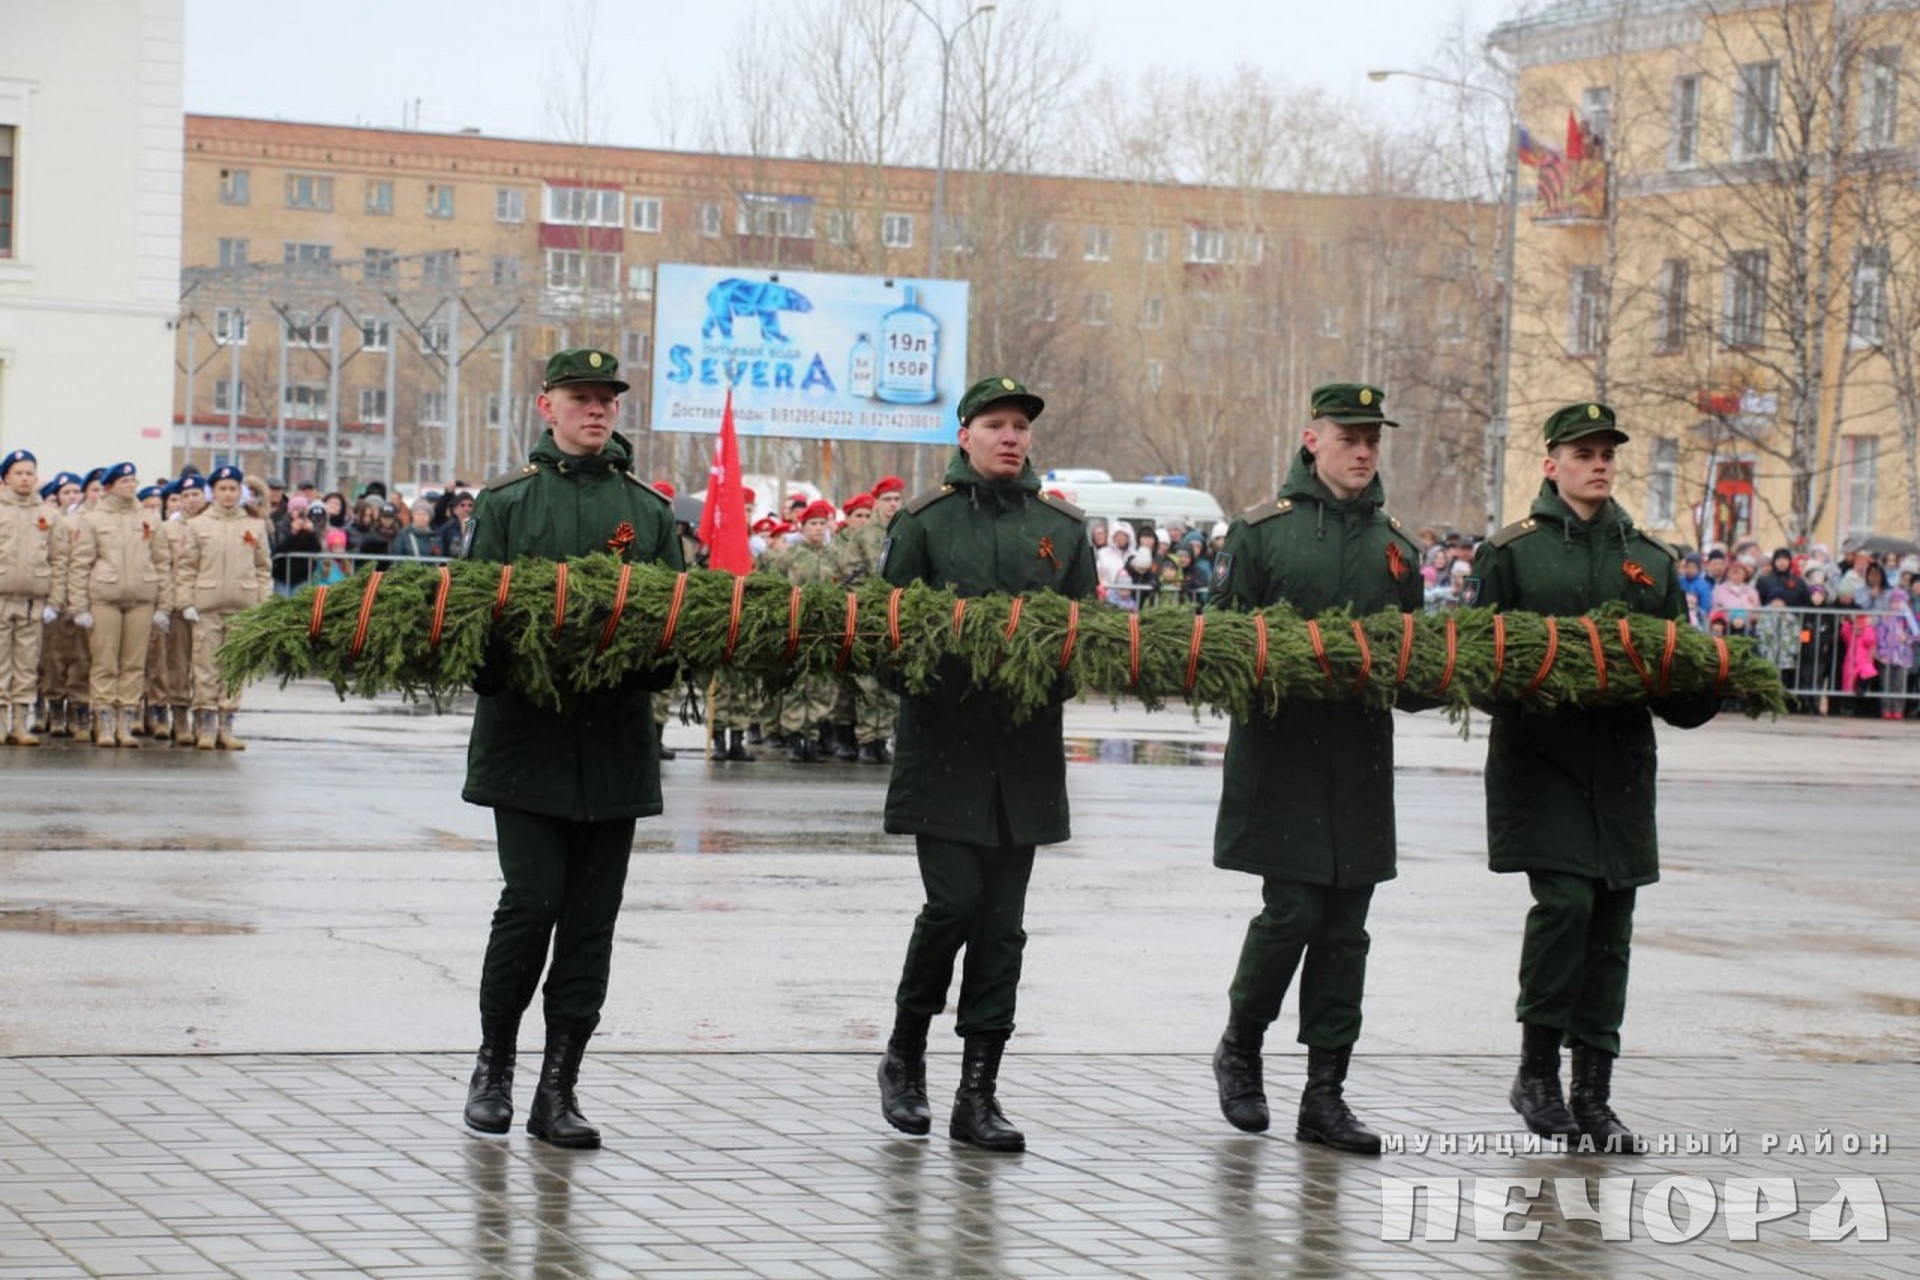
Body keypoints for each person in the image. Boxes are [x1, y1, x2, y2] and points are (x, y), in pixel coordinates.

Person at [1467, 402, 1717, 1151]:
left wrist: (1705, 687)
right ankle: (1536, 1072)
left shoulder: (1650, 559)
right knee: (1567, 906)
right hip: (1542, 763)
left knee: (1611, 928)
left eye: (1607, 451)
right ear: (1551, 464)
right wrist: (1542, 676)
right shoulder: (1512, 554)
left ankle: (1594, 1096)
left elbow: (1673, 681)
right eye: (1583, 452)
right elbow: (1481, 667)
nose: (1599, 462)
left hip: (1619, 769)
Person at [460, 348, 682, 1150]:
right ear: (546, 405)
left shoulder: (649, 515)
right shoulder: (510, 503)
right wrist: (518, 659)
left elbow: (672, 628)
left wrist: (646, 652)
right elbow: (471, 618)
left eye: (608, 400)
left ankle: (561, 1088)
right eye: (581, 398)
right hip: (527, 739)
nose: (597, 411)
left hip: (615, 744)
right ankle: (495, 1066)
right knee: (530, 902)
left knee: (592, 921)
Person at [874, 375, 1097, 1153]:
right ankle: (905, 1053)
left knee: (1002, 929)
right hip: (947, 750)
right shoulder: (925, 523)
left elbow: (1083, 637)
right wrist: (952, 666)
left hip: (1026, 756)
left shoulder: (1063, 530)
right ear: (963, 436)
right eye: (995, 424)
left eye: (1021, 427)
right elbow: (885, 636)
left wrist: (1041, 668)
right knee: (953, 906)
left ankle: (979, 1093)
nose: (1011, 437)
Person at [1207, 383, 1426, 1155]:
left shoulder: (1397, 545)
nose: (1363, 450)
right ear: (1312, 440)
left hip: (1359, 761)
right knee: (1293, 913)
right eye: (1349, 436)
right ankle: (1241, 1049)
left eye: (1373, 438)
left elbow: (1417, 659)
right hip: (1281, 757)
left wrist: (1433, 677)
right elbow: (1223, 648)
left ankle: (1326, 1095)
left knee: (1346, 931)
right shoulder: (1263, 534)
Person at [67, 462, 173, 748]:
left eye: (133, 480)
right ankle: (104, 723)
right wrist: (79, 607)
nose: (130, 485)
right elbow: (81, 564)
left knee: (134, 664)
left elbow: (162, 563)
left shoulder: (150, 518)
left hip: (141, 598)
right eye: (124, 480)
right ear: (110, 486)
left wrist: (164, 605)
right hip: (105, 598)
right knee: (104, 662)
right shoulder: (94, 519)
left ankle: (126, 722)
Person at [0, 449, 53, 745]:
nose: (24, 478)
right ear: (6, 478)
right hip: (1, 597)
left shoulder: (46, 514)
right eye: (18, 473)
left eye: (29, 473)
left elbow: (58, 559)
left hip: (33, 601)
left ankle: (20, 723)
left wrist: (55, 601)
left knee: (26, 664)